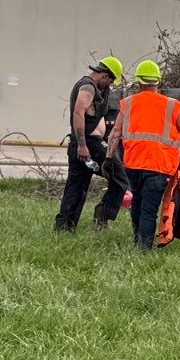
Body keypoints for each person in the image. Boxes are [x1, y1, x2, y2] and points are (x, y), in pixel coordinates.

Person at [108, 59, 180, 253]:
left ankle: (136, 240)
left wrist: (108, 157)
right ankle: (144, 248)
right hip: (159, 167)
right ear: (158, 81)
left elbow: (115, 132)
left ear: (138, 82)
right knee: (149, 209)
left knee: (137, 203)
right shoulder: (171, 106)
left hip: (133, 164)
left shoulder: (128, 103)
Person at [54, 56, 130, 232]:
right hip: (88, 144)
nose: (109, 85)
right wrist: (82, 145)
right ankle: (102, 216)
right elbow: (78, 113)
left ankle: (64, 227)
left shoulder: (97, 88)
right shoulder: (88, 87)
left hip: (85, 144)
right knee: (120, 177)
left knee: (77, 185)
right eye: (110, 80)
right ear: (104, 75)